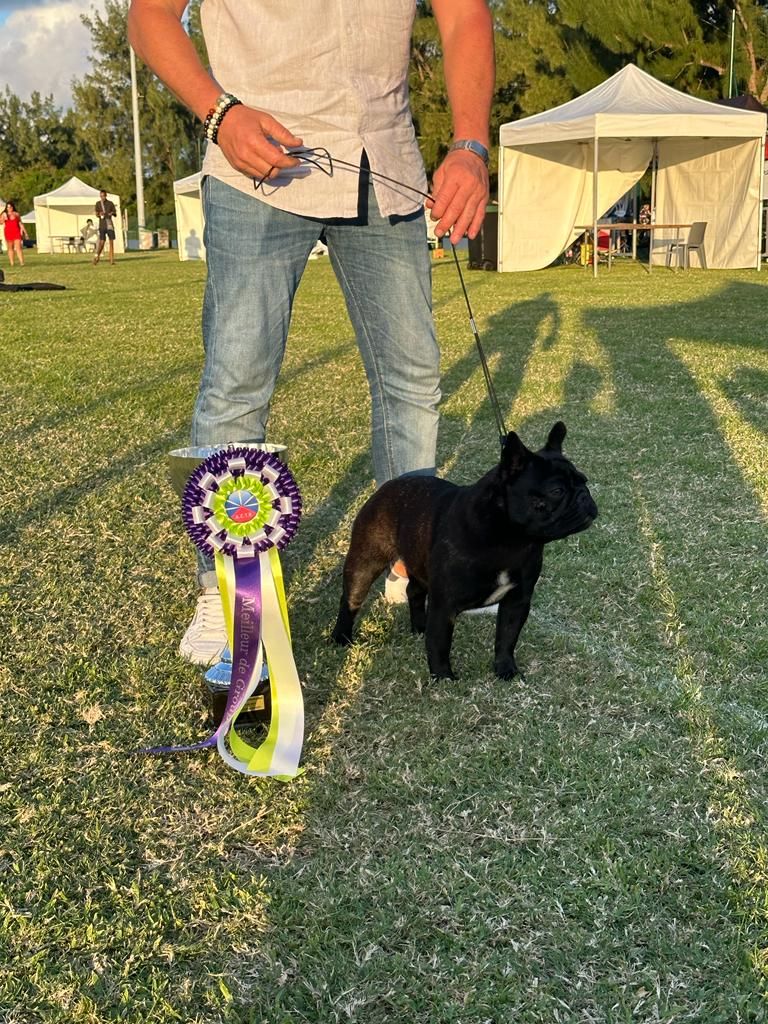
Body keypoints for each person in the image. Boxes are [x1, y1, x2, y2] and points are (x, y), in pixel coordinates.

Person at [128, 0, 494, 666]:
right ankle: (228, 592)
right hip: (254, 165)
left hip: (384, 160)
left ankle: (412, 558)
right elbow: (150, 15)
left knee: (411, 375)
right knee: (237, 380)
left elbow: (464, 12)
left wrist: (470, 143)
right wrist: (220, 114)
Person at [93, 190, 117, 264]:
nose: (102, 197)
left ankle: (111, 259)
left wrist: (111, 213)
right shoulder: (98, 204)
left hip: (109, 224)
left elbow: (115, 213)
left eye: (103, 196)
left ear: (106, 196)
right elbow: (96, 214)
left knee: (111, 242)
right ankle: (97, 256)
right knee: (102, 242)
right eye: (101, 196)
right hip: (102, 225)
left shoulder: (110, 203)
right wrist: (100, 214)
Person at [1, 201, 27, 266]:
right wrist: (3, 218)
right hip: (8, 232)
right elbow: (0, 222)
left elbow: (20, 223)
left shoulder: (16, 214)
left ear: (13, 207)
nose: (9, 208)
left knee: (18, 247)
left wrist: (25, 232)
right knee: (10, 248)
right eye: (7, 207)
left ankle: (22, 262)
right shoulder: (4, 214)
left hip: (16, 232)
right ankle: (12, 263)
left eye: (10, 207)